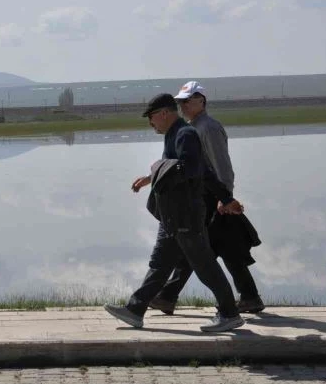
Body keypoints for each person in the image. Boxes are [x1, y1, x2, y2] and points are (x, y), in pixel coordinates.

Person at [104, 93, 245, 332]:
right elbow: (193, 169)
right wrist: (153, 176)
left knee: (204, 265)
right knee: (160, 263)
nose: (151, 124)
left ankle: (230, 313)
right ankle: (135, 310)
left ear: (163, 113)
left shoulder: (185, 134)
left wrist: (226, 198)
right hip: (172, 214)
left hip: (186, 214)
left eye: (151, 118)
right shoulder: (174, 135)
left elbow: (192, 169)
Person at [149, 81, 264, 315]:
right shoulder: (193, 127)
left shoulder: (208, 128)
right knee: (217, 249)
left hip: (213, 202)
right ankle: (248, 297)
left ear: (201, 100)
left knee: (197, 249)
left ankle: (168, 296)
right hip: (207, 199)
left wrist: (225, 198)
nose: (182, 106)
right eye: (180, 102)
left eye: (187, 101)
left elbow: (220, 166)